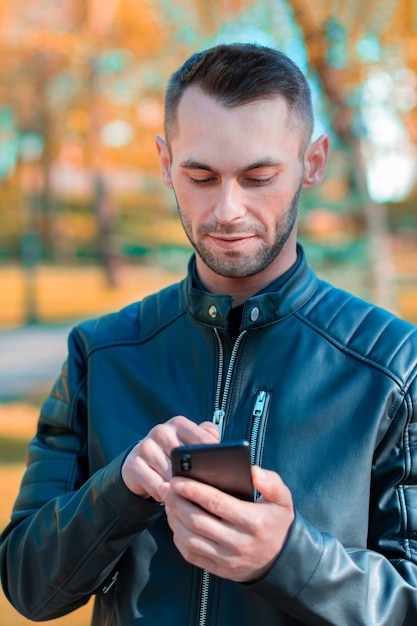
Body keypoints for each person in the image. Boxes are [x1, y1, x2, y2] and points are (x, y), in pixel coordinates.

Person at [1, 42, 417, 626]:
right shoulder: (101, 353)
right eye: (201, 175)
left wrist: (286, 557)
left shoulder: (396, 367)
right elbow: (27, 586)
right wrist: (119, 491)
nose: (227, 210)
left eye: (258, 176)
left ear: (314, 162)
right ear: (166, 163)